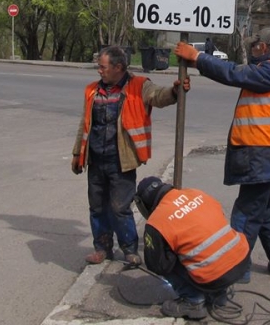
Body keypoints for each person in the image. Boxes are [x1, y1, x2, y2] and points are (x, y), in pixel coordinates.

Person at [174, 27, 270, 282]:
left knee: (246, 213)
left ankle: (234, 269)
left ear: (264, 48)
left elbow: (233, 72)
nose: (253, 50)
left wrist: (198, 58)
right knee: (264, 211)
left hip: (262, 155)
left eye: (255, 46)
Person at [71, 45, 190, 267]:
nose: (99, 70)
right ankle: (102, 248)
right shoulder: (92, 91)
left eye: (103, 66)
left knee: (120, 207)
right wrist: (78, 153)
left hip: (121, 161)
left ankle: (129, 250)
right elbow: (85, 125)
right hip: (96, 160)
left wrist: (174, 92)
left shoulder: (139, 86)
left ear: (118, 67)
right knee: (97, 207)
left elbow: (159, 96)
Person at [135, 176, 250, 320]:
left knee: (167, 258)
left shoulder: (157, 221)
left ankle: (192, 301)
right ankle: (219, 295)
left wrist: (171, 251)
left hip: (214, 276)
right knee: (207, 243)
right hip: (242, 261)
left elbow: (157, 266)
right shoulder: (195, 193)